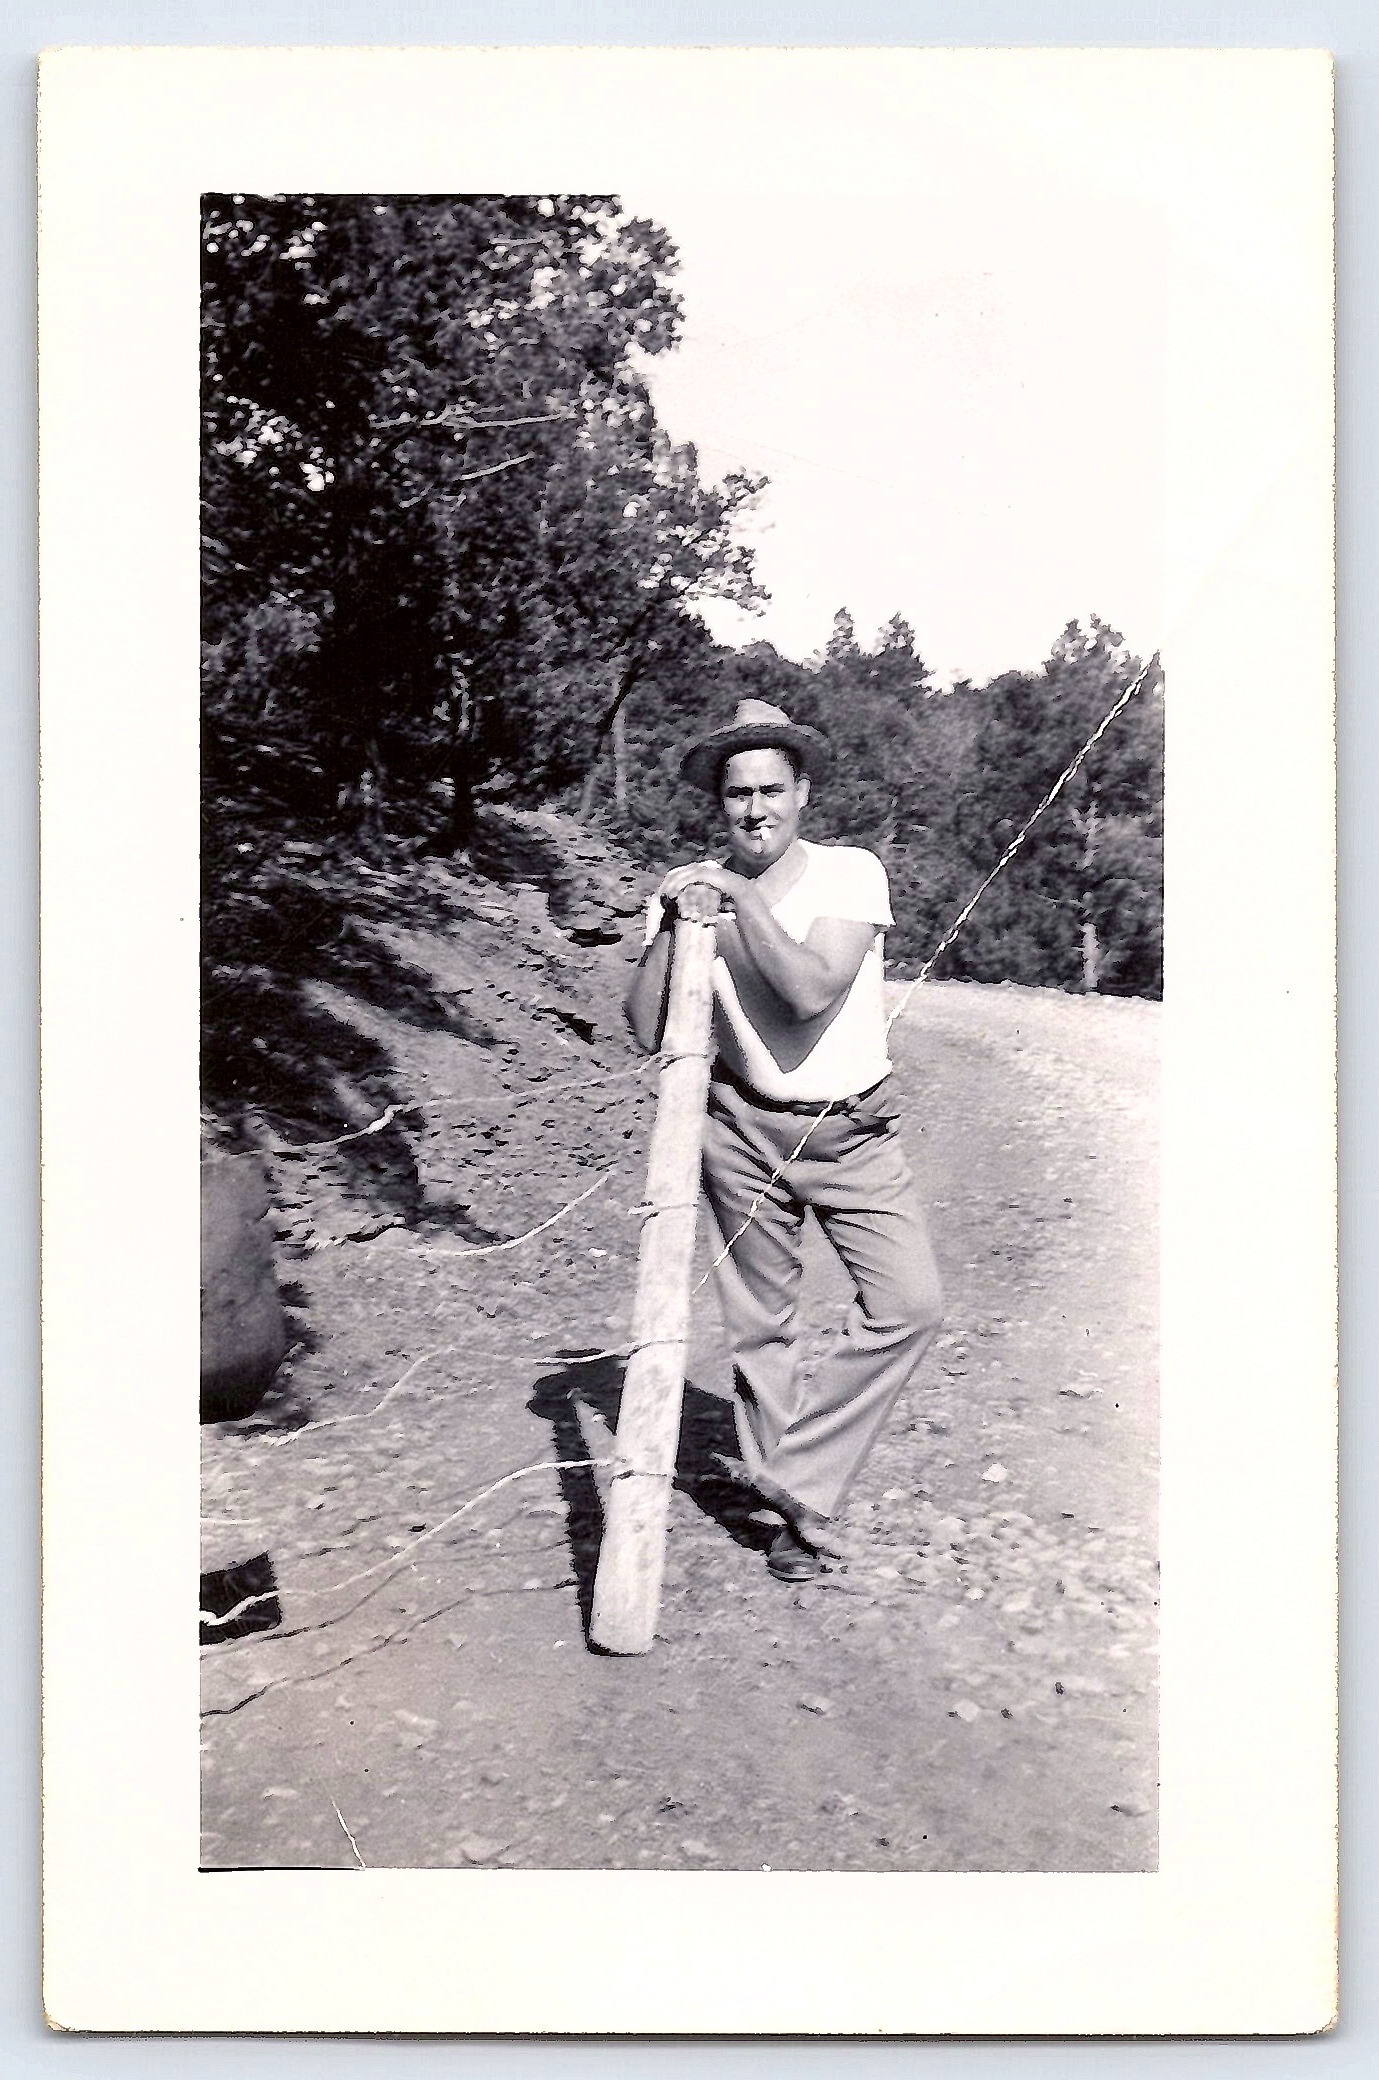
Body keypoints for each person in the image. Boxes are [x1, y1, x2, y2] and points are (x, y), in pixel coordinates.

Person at [625, 697, 944, 1581]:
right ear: (718, 804)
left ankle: (799, 1477)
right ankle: (788, 1520)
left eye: (770, 789)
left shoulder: (849, 875)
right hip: (738, 1131)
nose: (753, 810)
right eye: (737, 796)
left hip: (851, 1131)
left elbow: (809, 990)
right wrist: (668, 922)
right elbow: (645, 1025)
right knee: (762, 1329)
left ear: (802, 792)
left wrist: (733, 897)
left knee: (909, 1305)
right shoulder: (697, 893)